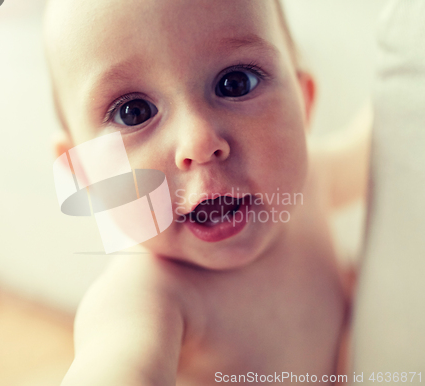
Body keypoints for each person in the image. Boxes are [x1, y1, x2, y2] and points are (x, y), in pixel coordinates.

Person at [43, 0, 369, 384]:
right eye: (134, 112)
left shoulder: (310, 183)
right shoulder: (147, 296)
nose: (198, 142)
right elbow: (113, 365)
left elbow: (383, 136)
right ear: (83, 173)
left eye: (235, 83)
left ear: (303, 103)